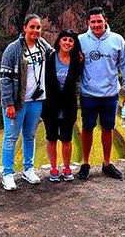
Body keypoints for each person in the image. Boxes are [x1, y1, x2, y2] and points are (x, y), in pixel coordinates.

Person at [77, 6, 125, 180]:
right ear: (88, 23)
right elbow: (72, 65)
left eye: (99, 21)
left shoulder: (117, 40)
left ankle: (107, 163)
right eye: (93, 22)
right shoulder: (80, 40)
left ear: (105, 21)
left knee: (108, 129)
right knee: (87, 128)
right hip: (88, 94)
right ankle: (85, 163)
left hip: (110, 94)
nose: (96, 25)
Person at [0, 13, 53, 191]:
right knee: (11, 137)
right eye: (32, 27)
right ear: (24, 28)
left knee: (29, 136)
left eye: (38, 27)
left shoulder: (42, 45)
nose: (36, 30)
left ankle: (28, 169)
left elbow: (57, 57)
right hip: (18, 101)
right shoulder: (13, 49)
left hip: (36, 100)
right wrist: (9, 104)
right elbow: (4, 78)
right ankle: (7, 174)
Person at [42, 29, 84, 182]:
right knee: (51, 138)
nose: (67, 43)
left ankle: (66, 168)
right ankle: (53, 168)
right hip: (50, 105)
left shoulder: (76, 61)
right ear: (59, 41)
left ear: (74, 44)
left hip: (68, 106)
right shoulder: (50, 58)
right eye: (65, 39)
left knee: (66, 139)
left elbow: (79, 78)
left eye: (71, 41)